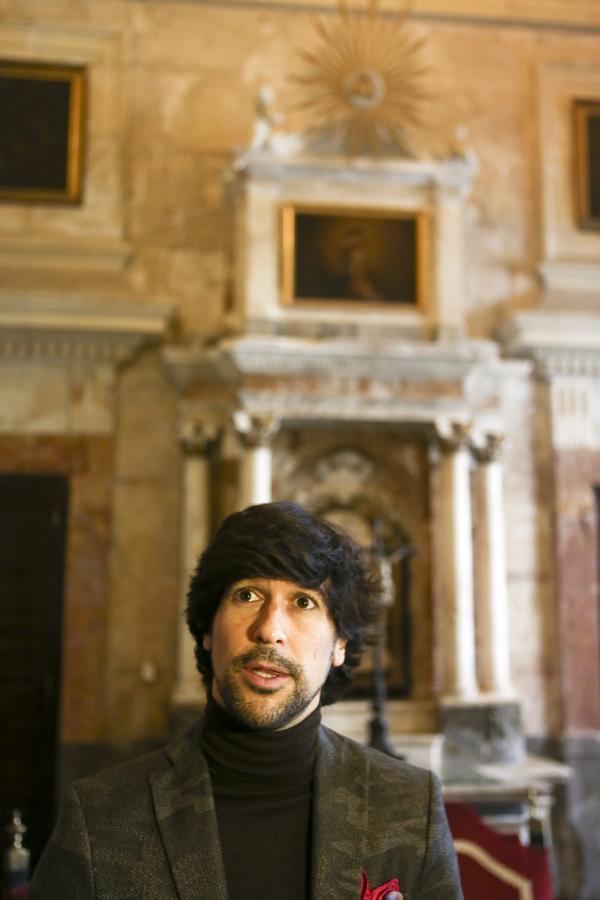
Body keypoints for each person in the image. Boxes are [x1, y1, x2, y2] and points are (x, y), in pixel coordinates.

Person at [30, 501, 463, 900]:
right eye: (248, 595)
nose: (270, 629)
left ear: (340, 646)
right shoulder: (101, 818)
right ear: (206, 628)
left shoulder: (408, 806)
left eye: (304, 602)